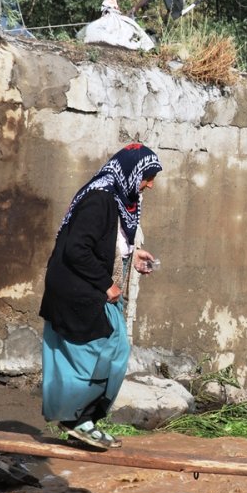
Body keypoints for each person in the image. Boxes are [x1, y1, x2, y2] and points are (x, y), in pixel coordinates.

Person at [39, 143, 162, 449]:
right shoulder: (99, 199)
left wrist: (133, 255)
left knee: (114, 350)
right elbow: (77, 248)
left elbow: (108, 241)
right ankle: (76, 420)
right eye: (146, 177)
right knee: (96, 353)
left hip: (94, 290)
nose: (149, 184)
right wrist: (106, 285)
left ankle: (83, 420)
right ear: (132, 172)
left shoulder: (120, 199)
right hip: (80, 291)